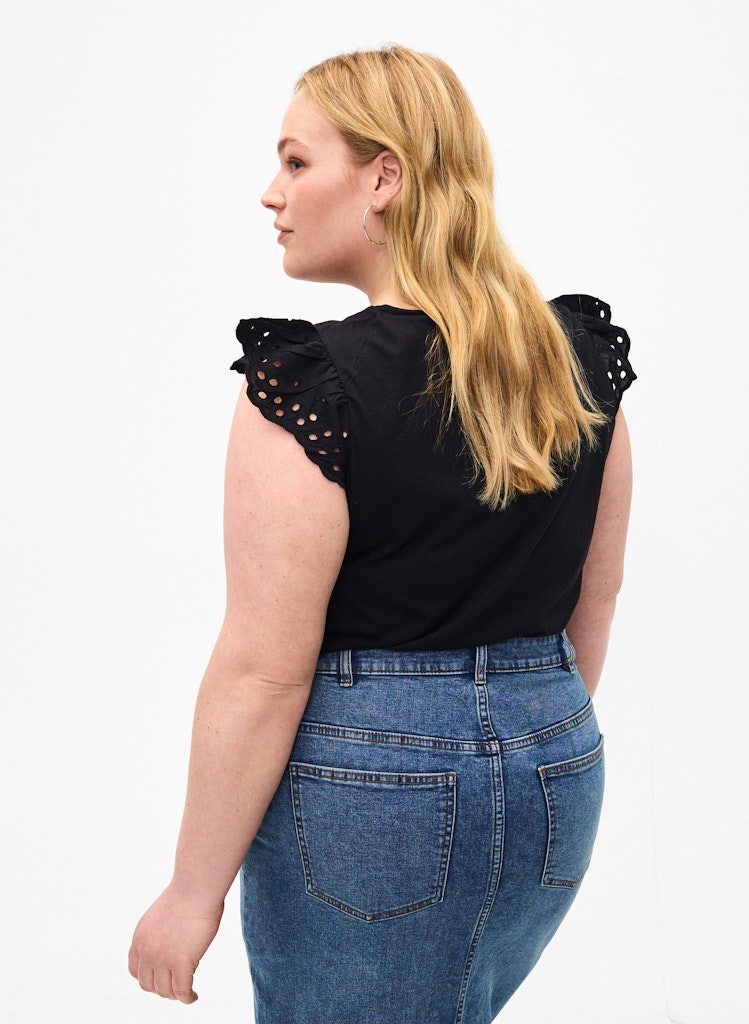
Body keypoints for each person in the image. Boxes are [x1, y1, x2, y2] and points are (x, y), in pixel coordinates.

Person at [129, 45, 634, 1024]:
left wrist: (191, 894)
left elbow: (263, 671)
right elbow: (596, 592)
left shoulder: (313, 386)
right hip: (557, 767)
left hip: (376, 788)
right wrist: (519, 729)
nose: (271, 193)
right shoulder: (572, 359)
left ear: (384, 178)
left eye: (295, 161)